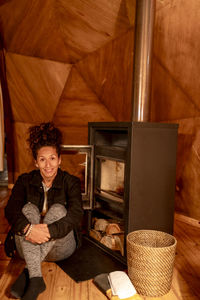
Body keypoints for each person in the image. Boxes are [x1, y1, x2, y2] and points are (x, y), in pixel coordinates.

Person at [4, 122, 83, 300]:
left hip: (60, 247)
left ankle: (29, 273)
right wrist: (29, 229)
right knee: (28, 208)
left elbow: (76, 214)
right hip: (27, 244)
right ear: (36, 162)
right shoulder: (25, 180)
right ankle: (36, 278)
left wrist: (47, 231)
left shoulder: (70, 182)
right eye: (42, 159)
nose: (48, 165)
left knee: (58, 210)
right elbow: (10, 210)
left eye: (52, 158)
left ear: (59, 159)